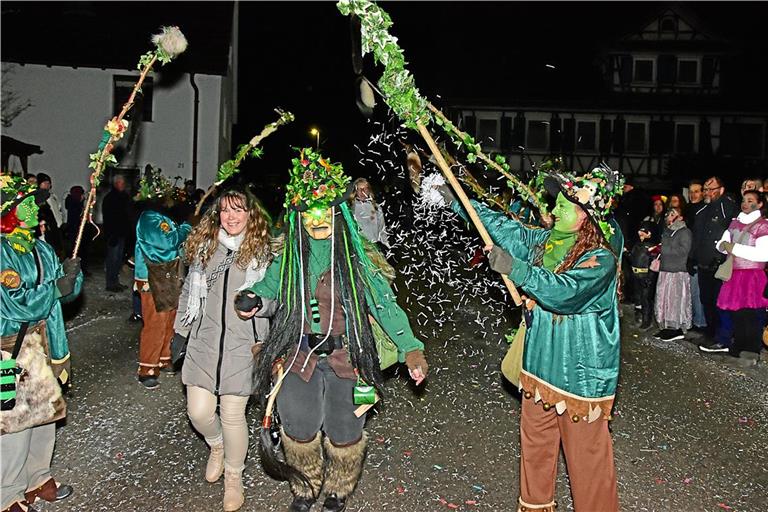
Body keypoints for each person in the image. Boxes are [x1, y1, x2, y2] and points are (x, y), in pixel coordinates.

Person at [237, 148, 428, 512]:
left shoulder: (359, 256)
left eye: (324, 213)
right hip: (297, 356)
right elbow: (269, 286)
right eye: (309, 214)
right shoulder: (290, 256)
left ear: (338, 214)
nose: (317, 221)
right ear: (298, 217)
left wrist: (411, 349)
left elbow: (385, 306)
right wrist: (253, 299)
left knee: (344, 431)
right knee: (299, 425)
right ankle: (305, 488)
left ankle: (338, 488)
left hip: (347, 359)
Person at [444, 165, 624, 512]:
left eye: (564, 206)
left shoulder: (600, 259)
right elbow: (507, 230)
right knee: (536, 455)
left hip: (581, 382)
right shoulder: (549, 242)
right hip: (539, 369)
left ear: (587, 217)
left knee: (588, 465)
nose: (554, 209)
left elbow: (566, 293)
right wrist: (460, 203)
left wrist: (517, 269)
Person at [173, 189, 275, 512]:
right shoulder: (205, 248)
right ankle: (215, 445)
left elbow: (277, 300)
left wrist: (260, 303)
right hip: (204, 343)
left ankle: (234, 477)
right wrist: (180, 331)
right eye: (225, 211)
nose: (231, 217)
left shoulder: (262, 253)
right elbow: (190, 289)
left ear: (250, 214)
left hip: (243, 346)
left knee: (232, 414)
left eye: (238, 211)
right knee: (199, 412)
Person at [1, 173, 82, 512]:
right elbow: (14, 302)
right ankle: (7, 494)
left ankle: (37, 477)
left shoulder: (43, 248)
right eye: (27, 205)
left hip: (44, 343)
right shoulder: (3, 253)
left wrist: (71, 277)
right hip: (11, 348)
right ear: (9, 213)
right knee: (15, 422)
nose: (37, 207)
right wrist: (54, 289)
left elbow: (60, 302)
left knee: (46, 414)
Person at [133, 169, 192, 389]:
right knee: (156, 321)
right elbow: (168, 242)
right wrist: (186, 228)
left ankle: (165, 357)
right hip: (152, 276)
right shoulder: (149, 218)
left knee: (169, 318)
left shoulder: (162, 217)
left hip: (167, 275)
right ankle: (147, 367)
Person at [704, 190, 768, 367]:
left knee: (751, 313)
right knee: (737, 313)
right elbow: (721, 244)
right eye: (744, 200)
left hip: (751, 275)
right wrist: (724, 246)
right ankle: (738, 345)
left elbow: (764, 254)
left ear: (760, 204)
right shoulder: (734, 222)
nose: (745, 203)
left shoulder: (763, 226)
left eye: (750, 200)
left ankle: (752, 348)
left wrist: (734, 248)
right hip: (735, 274)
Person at [695, 176, 739, 353]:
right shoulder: (702, 209)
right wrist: (693, 257)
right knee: (706, 300)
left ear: (720, 190)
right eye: (705, 189)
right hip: (703, 263)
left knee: (718, 302)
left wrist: (723, 256)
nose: (706, 192)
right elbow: (698, 235)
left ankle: (721, 338)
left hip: (718, 263)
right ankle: (710, 331)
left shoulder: (725, 206)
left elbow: (731, 233)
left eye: (710, 189)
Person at [653, 207, 693, 341]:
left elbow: (683, 250)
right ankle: (667, 326)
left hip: (677, 271)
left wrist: (662, 249)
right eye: (668, 214)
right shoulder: (667, 231)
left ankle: (676, 328)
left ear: (681, 217)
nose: (668, 216)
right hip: (665, 270)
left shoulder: (684, 232)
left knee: (675, 300)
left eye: (673, 214)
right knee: (665, 299)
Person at [102, 174, 132, 292]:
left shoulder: (124, 197)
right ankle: (110, 283)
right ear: (116, 184)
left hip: (121, 233)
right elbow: (110, 218)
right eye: (121, 183)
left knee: (118, 259)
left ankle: (115, 281)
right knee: (112, 259)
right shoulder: (110, 198)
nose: (123, 185)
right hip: (113, 234)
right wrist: (111, 234)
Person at [684, 180, 707, 332]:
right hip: (686, 255)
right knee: (690, 291)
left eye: (696, 191)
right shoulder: (688, 210)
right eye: (691, 191)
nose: (693, 195)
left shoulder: (703, 210)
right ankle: (693, 319)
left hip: (696, 256)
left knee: (698, 291)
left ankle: (700, 323)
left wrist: (693, 257)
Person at [629, 220, 657, 329]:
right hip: (635, 275)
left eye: (644, 231)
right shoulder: (637, 245)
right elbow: (632, 258)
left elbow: (654, 263)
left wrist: (650, 277)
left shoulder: (652, 247)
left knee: (646, 298)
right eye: (640, 231)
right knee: (637, 297)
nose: (641, 233)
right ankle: (638, 317)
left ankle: (646, 321)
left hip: (646, 276)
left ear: (649, 233)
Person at [349, 177, 390, 249]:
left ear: (368, 190)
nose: (363, 191)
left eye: (365, 188)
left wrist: (387, 244)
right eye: (360, 189)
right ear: (356, 191)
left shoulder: (377, 208)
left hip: (374, 247)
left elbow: (382, 229)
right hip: (359, 246)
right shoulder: (351, 208)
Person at [33, 173, 64, 258]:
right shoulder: (37, 198)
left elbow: (58, 210)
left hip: (55, 227)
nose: (47, 185)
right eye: (44, 182)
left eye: (48, 183)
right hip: (45, 228)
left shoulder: (53, 197)